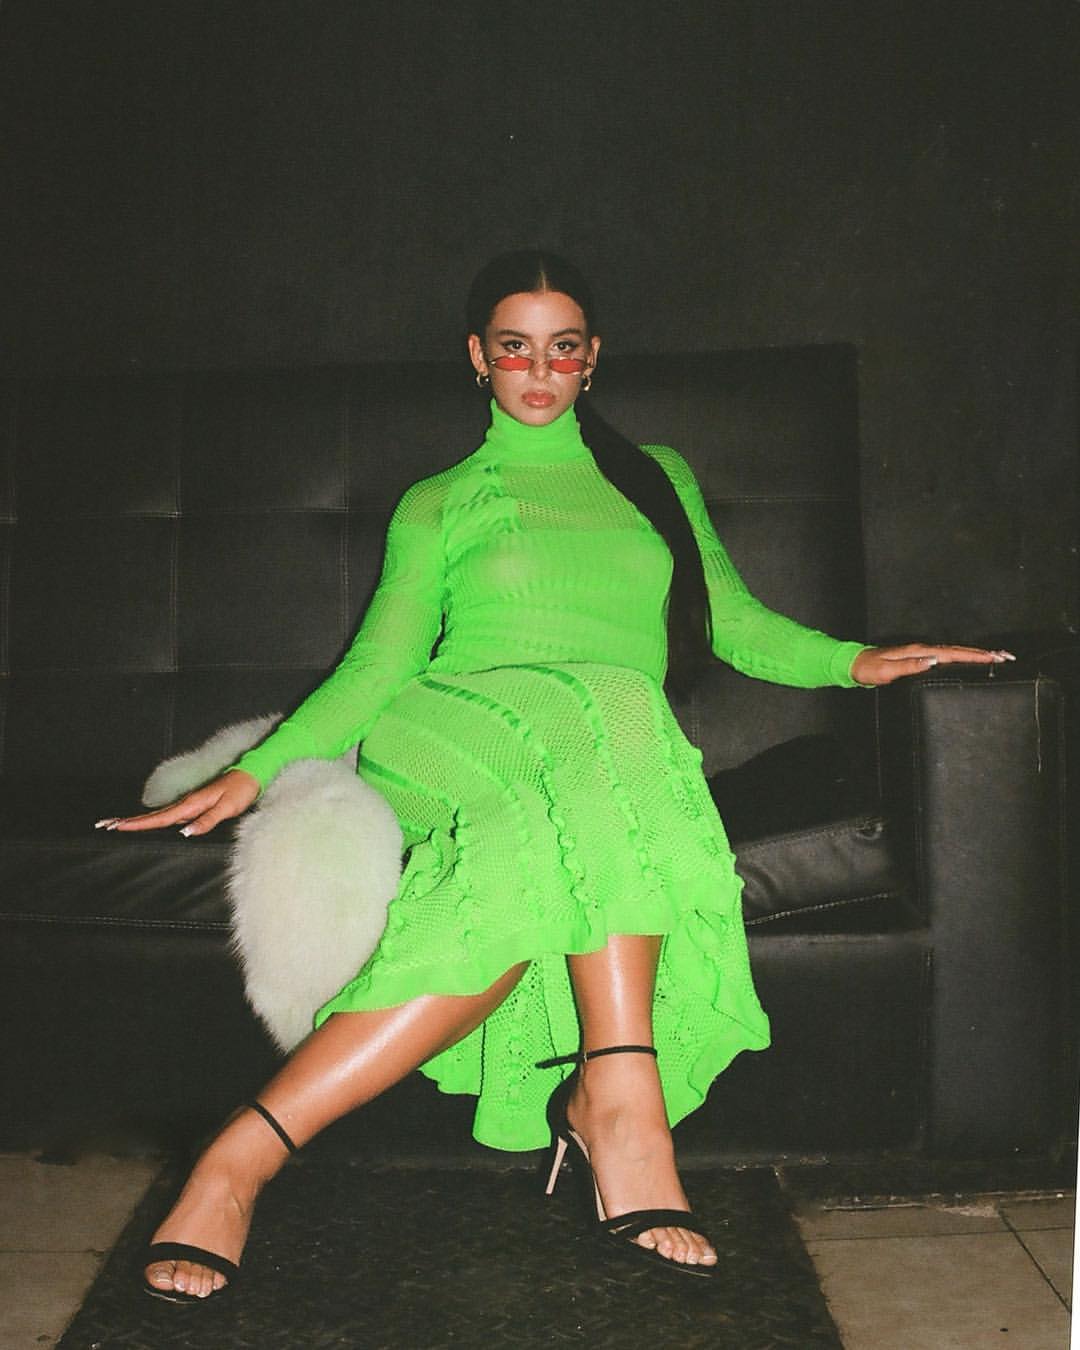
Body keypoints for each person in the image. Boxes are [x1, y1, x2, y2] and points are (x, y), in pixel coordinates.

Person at [98, 250, 1012, 1299]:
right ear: (478, 357)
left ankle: (238, 1159)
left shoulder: (653, 476)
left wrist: (860, 662)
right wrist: (258, 771)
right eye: (515, 348)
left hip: (591, 743)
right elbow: (379, 666)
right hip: (450, 729)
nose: (540, 371)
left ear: (592, 358)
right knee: (613, 707)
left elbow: (735, 622)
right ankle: (622, 1110)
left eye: (563, 348)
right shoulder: (439, 501)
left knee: (578, 775)